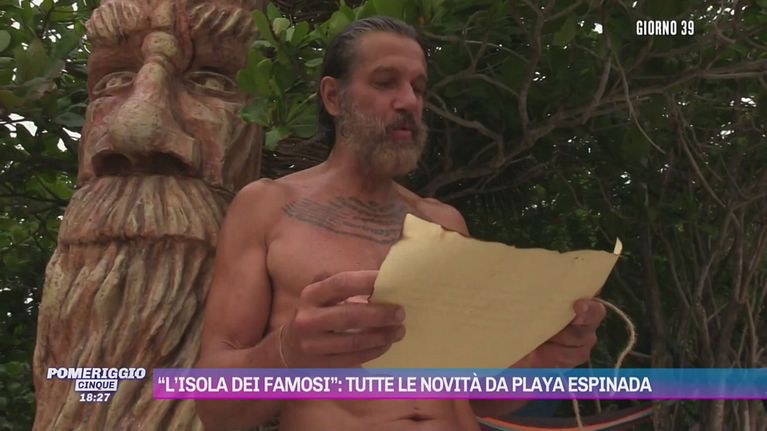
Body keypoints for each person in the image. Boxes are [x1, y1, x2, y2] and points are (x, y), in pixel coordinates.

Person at [196, 16, 606, 431]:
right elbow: (213, 409)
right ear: (334, 97)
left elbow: (481, 397)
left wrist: (543, 358)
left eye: (418, 88)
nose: (409, 101)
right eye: (385, 82)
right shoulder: (268, 207)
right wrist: (287, 351)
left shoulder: (445, 222)